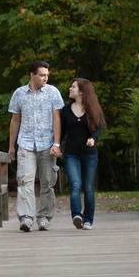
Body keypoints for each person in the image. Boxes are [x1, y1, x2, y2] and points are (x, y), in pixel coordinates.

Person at [8, 60, 64, 232]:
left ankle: (44, 218)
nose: (45, 78)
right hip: (25, 143)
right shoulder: (19, 93)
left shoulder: (53, 92)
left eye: (47, 75)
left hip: (47, 144)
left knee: (47, 182)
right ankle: (26, 218)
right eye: (42, 75)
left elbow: (57, 119)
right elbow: (15, 120)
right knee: (25, 181)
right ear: (32, 75)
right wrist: (11, 146)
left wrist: (56, 143)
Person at [57, 78, 106, 230]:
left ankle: (88, 219)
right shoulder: (65, 110)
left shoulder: (93, 108)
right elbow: (62, 131)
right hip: (71, 154)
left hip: (89, 154)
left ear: (82, 91)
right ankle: (77, 215)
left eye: (73, 87)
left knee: (88, 187)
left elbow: (99, 128)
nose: (70, 89)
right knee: (75, 185)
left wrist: (93, 138)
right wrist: (56, 146)